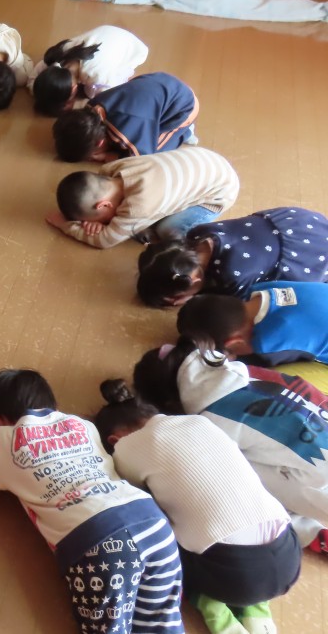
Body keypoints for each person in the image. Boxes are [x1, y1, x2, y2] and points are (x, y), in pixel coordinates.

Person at [0, 369, 184, 634]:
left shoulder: (4, 439)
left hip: (100, 544)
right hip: (150, 520)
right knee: (162, 621)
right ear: (53, 406)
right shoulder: (82, 425)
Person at [94, 380, 300, 634]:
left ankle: (214, 610)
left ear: (114, 440)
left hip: (235, 577)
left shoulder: (126, 448)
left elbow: (131, 494)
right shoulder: (199, 422)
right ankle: (258, 614)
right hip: (289, 555)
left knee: (155, 538)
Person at [132, 336, 328, 551]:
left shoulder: (210, 418)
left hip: (319, 482)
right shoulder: (246, 373)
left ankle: (312, 531)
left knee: (231, 479)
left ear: (169, 402)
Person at [46, 146, 239, 248]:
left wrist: (67, 226)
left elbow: (104, 241)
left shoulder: (138, 205)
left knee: (167, 230)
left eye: (100, 219)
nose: (101, 223)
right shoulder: (112, 170)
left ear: (103, 205)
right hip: (205, 158)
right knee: (145, 221)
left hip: (218, 194)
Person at [136, 207, 328, 307]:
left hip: (310, 252)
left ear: (193, 280)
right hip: (295, 220)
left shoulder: (231, 277)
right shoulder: (198, 234)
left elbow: (239, 308)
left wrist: (192, 299)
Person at [52, 72, 199, 162]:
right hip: (159, 82)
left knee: (157, 155)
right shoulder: (91, 107)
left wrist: (109, 157)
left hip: (184, 107)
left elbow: (142, 160)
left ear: (100, 143)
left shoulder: (128, 127)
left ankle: (185, 131)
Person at [177, 281, 328, 366]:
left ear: (235, 342)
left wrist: (230, 358)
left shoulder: (267, 343)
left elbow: (253, 364)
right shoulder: (261, 289)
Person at [30, 25, 148, 116]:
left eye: (69, 103)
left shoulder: (97, 75)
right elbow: (33, 77)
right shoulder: (56, 55)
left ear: (74, 89)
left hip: (133, 47)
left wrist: (80, 105)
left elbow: (112, 101)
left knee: (91, 94)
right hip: (106, 33)